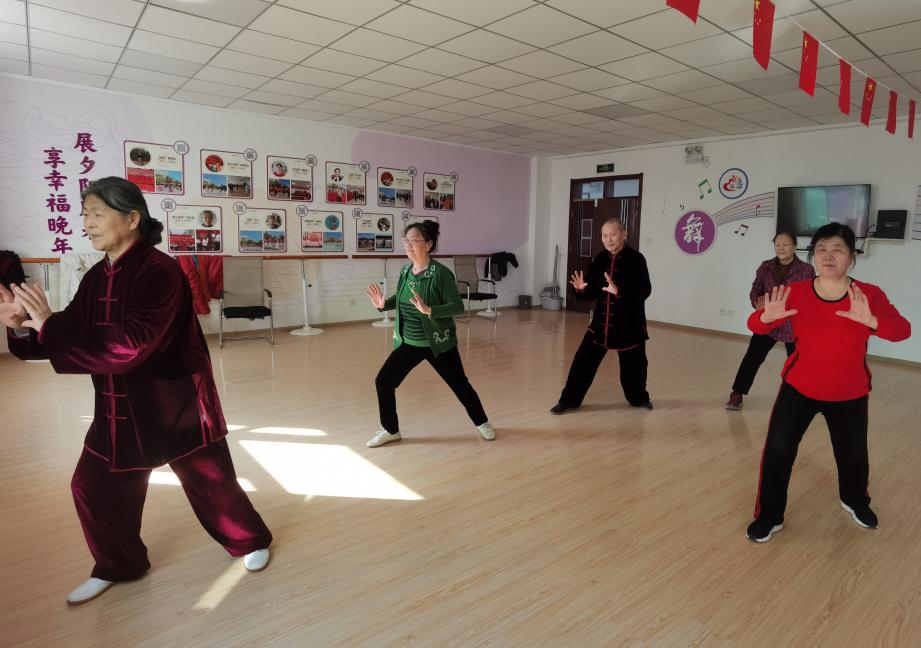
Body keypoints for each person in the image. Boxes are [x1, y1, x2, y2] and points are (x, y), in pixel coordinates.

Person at [0, 177, 272, 605]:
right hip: (116, 409)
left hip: (175, 405)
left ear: (132, 219)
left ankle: (249, 540)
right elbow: (68, 331)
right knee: (92, 488)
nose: (87, 223)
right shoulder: (96, 276)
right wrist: (24, 327)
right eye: (84, 214)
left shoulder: (161, 271)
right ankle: (120, 563)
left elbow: (132, 345)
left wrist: (51, 326)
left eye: (97, 213)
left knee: (213, 485)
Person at [744, 223, 910, 543]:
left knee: (853, 455)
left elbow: (903, 330)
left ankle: (855, 500)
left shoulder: (868, 294)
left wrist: (872, 320)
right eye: (821, 249)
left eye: (837, 249)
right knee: (778, 450)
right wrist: (765, 316)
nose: (828, 255)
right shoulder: (796, 292)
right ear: (813, 255)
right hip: (799, 388)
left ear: (851, 257)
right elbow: (756, 326)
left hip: (849, 391)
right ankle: (769, 515)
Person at [365, 220, 495, 447]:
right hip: (408, 342)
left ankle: (482, 422)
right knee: (383, 382)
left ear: (429, 244)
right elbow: (402, 299)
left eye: (414, 240)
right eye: (406, 240)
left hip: (438, 342)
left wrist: (430, 310)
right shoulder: (406, 270)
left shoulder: (441, 274)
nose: (408, 245)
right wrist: (383, 304)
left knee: (460, 385)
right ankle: (390, 430)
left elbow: (457, 306)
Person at [550, 218, 653, 414]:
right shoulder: (600, 259)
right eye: (604, 235)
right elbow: (592, 293)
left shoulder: (637, 259)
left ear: (624, 234)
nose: (608, 239)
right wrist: (581, 289)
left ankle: (639, 398)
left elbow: (645, 290)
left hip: (629, 325)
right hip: (601, 324)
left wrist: (619, 291)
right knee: (582, 362)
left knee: (635, 368)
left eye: (612, 234)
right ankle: (569, 401)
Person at [726, 232, 815, 410]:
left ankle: (800, 398)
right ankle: (737, 393)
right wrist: (758, 306)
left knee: (797, 363)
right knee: (752, 357)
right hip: (768, 321)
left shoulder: (806, 270)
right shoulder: (766, 266)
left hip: (793, 324)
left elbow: (810, 297)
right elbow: (755, 291)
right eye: (778, 245)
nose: (781, 248)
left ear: (794, 246)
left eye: (786, 244)